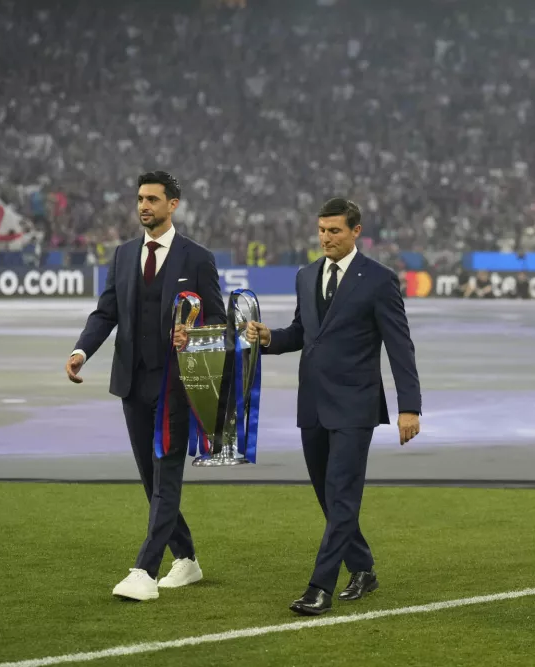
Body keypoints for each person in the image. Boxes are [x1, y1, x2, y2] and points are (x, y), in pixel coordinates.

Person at [245, 197, 422, 616]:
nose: (326, 238)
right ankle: (363, 568)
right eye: (322, 230)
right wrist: (268, 338)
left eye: (335, 231)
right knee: (329, 496)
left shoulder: (379, 280)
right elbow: (304, 333)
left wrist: (409, 407)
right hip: (313, 404)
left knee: (342, 496)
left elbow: (400, 346)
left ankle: (319, 587)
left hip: (356, 407)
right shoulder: (306, 276)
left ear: (356, 231)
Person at [66, 171, 226, 600]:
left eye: (152, 199)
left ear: (173, 205)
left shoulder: (197, 258)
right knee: (149, 478)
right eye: (140, 198)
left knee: (166, 478)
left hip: (176, 385)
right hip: (133, 385)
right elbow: (106, 314)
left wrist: (193, 335)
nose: (143, 206)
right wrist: (82, 351)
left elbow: (217, 322)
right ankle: (187, 559)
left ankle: (144, 570)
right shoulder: (122, 256)